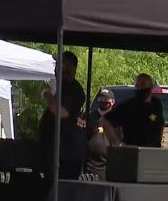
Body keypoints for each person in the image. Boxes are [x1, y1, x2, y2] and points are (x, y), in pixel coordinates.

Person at [39, 51, 86, 179]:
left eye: (60, 64)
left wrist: (48, 95)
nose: (56, 67)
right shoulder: (60, 85)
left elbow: (62, 112)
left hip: (64, 154)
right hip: (52, 149)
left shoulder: (75, 90)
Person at [102, 73, 164, 147]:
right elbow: (104, 122)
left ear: (151, 86)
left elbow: (160, 124)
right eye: (137, 85)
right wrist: (119, 143)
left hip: (152, 152)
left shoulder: (156, 104)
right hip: (132, 152)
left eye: (143, 84)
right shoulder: (128, 106)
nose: (140, 88)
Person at [84, 89, 116, 180]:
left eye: (106, 99)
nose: (103, 101)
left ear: (112, 101)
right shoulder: (90, 117)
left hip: (106, 168)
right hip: (90, 166)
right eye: (101, 98)